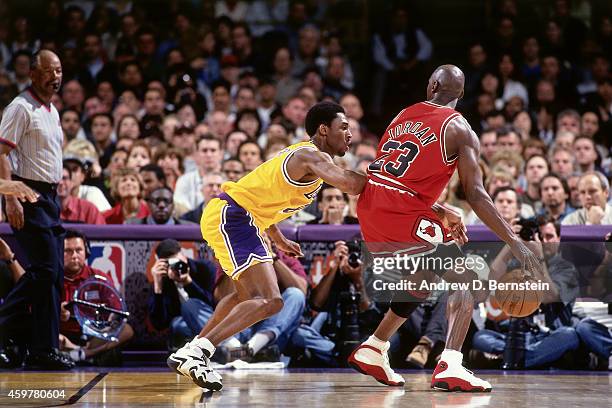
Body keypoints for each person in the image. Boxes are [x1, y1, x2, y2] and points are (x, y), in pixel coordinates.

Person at [349, 65, 540, 392]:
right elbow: (476, 194)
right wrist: (515, 242)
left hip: (370, 206)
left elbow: (388, 178)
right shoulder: (460, 129)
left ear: (432, 86)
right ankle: (451, 363)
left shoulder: (402, 115)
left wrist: (437, 209)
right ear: (461, 94)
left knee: (425, 275)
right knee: (464, 275)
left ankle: (375, 347)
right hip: (401, 210)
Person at [167, 101, 367, 391]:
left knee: (243, 295)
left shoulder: (307, 158)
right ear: (324, 129)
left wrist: (278, 237)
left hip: (238, 217)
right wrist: (389, 178)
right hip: (235, 216)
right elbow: (350, 185)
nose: (350, 135)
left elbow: (263, 195)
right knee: (272, 300)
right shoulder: (310, 155)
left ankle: (195, 350)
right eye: (344, 127)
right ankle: (198, 351)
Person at [0, 50, 75, 369]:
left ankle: (44, 348)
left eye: (58, 71)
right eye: (48, 70)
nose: (55, 77)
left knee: (53, 274)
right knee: (45, 271)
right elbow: (1, 153)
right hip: (26, 192)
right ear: (32, 73)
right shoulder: (20, 107)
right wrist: (10, 197)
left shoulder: (51, 110)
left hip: (49, 196)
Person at [60, 230, 134, 365]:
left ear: (86, 252)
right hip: (62, 335)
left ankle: (82, 354)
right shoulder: (51, 279)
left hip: (93, 336)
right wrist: (55, 313)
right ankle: (81, 354)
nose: (74, 256)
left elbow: (117, 312)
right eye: (68, 251)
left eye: (78, 250)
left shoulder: (99, 277)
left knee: (126, 330)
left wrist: (111, 319)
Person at [148, 239, 217, 349]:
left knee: (189, 305)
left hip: (210, 320)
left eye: (178, 261)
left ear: (184, 256)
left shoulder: (204, 268)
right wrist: (158, 286)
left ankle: (218, 347)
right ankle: (221, 348)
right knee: (178, 325)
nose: (177, 267)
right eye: (170, 264)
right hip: (186, 329)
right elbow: (159, 324)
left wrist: (188, 282)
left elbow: (214, 304)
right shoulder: (163, 282)